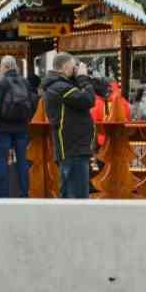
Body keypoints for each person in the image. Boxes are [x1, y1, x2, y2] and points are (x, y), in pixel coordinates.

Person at [42, 52, 97, 199]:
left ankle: (67, 222)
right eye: (74, 66)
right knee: (77, 196)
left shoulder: (58, 86)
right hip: (73, 149)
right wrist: (83, 79)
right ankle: (76, 223)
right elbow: (88, 99)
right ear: (65, 66)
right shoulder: (60, 87)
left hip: (72, 148)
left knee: (69, 196)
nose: (76, 70)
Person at [0, 55, 33, 198]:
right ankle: (24, 192)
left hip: (4, 128)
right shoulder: (25, 83)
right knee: (22, 160)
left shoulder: (0, 84)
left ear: (4, 67)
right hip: (21, 128)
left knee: (2, 160)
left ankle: (3, 194)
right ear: (15, 66)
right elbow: (31, 104)